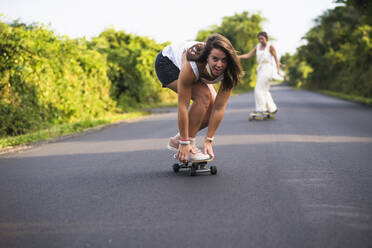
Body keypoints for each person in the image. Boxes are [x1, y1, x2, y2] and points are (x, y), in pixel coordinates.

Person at [155, 34, 243, 162]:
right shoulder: (192, 65)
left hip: (197, 68)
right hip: (167, 63)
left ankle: (177, 141)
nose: (219, 65)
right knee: (204, 97)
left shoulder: (230, 71)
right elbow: (183, 107)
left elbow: (219, 107)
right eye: (215, 59)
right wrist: (186, 142)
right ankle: (188, 143)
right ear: (207, 57)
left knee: (212, 106)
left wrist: (208, 140)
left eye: (224, 60)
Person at [239, 31, 281, 114]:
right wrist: (238, 57)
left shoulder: (270, 46)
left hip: (268, 68)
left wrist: (278, 70)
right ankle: (272, 108)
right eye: (259, 39)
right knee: (264, 90)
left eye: (262, 38)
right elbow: (248, 55)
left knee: (258, 89)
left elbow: (276, 58)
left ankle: (261, 109)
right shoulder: (257, 46)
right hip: (260, 69)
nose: (260, 40)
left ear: (266, 38)